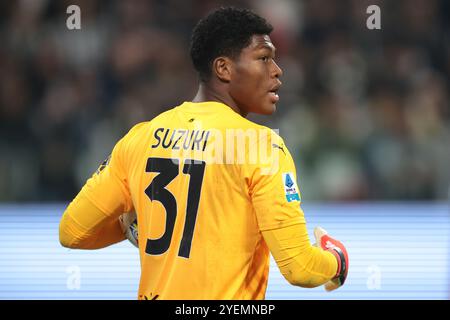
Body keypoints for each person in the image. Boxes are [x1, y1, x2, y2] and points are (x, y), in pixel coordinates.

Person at [59, 7, 348, 300]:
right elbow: (300, 268)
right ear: (223, 68)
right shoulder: (261, 147)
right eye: (263, 58)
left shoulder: (140, 138)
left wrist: (141, 225)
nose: (276, 70)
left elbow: (72, 231)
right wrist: (336, 260)